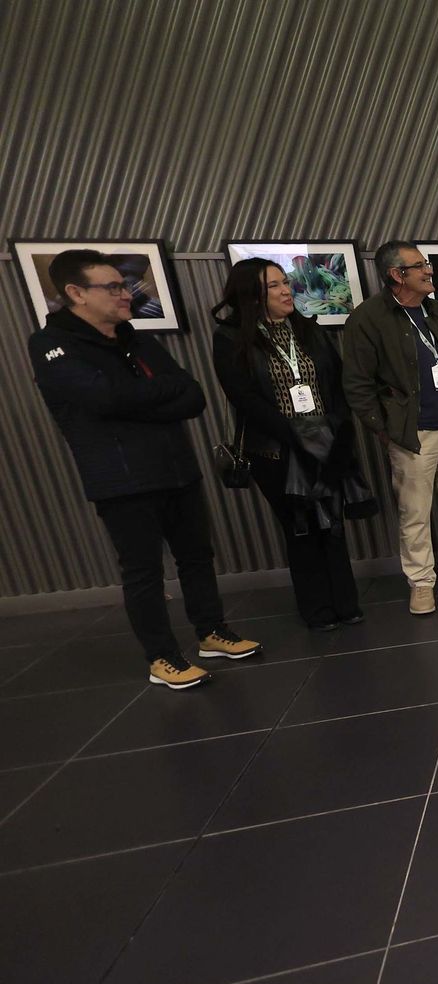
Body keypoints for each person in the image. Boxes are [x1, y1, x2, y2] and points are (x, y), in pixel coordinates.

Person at [27, 249, 261, 689]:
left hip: (176, 467)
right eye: (112, 287)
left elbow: (191, 396)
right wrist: (151, 397)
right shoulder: (52, 344)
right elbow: (101, 400)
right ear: (76, 293)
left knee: (197, 557)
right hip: (121, 479)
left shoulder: (134, 337)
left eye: (124, 284)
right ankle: (162, 656)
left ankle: (211, 632)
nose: (125, 293)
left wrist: (133, 399)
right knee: (143, 572)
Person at [343, 241, 438, 615]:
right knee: (415, 511)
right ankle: (421, 581)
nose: (430, 271)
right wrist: (386, 430)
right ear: (397, 275)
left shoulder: (437, 313)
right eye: (421, 266)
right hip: (411, 435)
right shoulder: (367, 319)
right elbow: (357, 386)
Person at [211, 258, 366, 631]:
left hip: (326, 444)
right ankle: (317, 610)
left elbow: (337, 384)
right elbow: (244, 398)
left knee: (332, 525)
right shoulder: (232, 338)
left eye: (286, 283)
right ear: (251, 295)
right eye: (275, 286)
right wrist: (296, 436)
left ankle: (346, 604)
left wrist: (338, 432)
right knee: (300, 527)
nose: (286, 291)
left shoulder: (309, 331)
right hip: (276, 450)